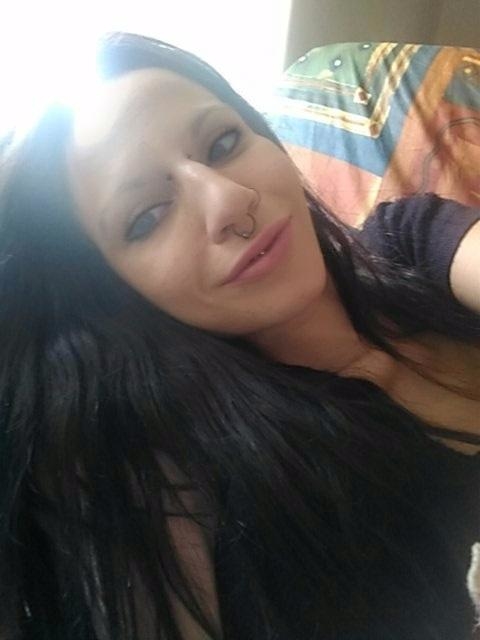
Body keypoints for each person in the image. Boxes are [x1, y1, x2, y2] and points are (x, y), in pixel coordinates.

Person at [0, 31, 479, 640]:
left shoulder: (407, 239)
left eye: (224, 142)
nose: (228, 200)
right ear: (119, 294)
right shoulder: (243, 486)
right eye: (148, 216)